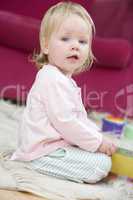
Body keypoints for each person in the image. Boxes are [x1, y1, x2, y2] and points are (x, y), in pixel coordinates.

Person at [11, 1, 117, 183]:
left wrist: (96, 135)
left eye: (82, 41)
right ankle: (35, 166)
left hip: (55, 145)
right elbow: (66, 122)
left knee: (100, 151)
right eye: (66, 39)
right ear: (45, 45)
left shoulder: (63, 79)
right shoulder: (51, 79)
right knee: (101, 164)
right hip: (41, 152)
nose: (75, 46)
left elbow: (77, 119)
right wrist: (97, 143)